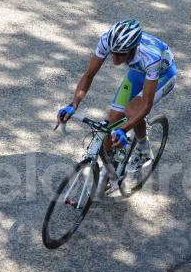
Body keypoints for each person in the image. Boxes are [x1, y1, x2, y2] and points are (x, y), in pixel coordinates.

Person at [57, 19, 177, 167]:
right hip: (137, 72)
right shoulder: (107, 40)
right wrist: (74, 104)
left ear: (133, 49)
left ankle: (143, 148)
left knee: (132, 110)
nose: (114, 58)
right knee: (113, 119)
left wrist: (124, 129)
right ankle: (111, 167)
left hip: (163, 75)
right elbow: (89, 75)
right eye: (112, 53)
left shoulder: (151, 57)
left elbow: (146, 105)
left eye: (120, 54)